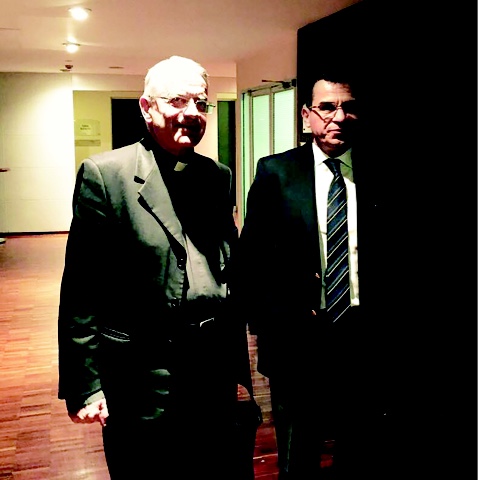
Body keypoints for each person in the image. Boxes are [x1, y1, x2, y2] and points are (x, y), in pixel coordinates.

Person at [58, 55, 255, 480]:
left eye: (200, 103)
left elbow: (225, 271)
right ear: (147, 108)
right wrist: (85, 386)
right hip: (142, 378)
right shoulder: (106, 175)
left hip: (211, 374)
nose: (192, 113)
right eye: (177, 100)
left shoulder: (217, 176)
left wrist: (238, 368)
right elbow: (81, 289)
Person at [236, 68, 394, 479]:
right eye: (327, 107)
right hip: (297, 342)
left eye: (348, 108)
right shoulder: (276, 173)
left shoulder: (382, 173)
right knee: (298, 454)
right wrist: (272, 323)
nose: (338, 117)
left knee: (361, 449)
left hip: (364, 339)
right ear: (307, 115)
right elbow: (252, 259)